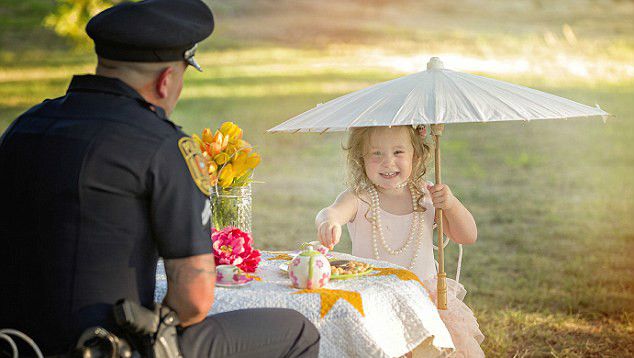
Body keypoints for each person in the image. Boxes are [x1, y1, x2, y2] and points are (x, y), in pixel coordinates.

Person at [0, 0, 319, 357]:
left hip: (16, 344)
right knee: (297, 332)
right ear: (166, 81)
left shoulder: (25, 127)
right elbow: (194, 300)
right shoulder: (164, 147)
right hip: (104, 348)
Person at [315, 125, 484, 357]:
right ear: (360, 158)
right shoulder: (358, 198)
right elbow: (331, 212)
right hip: (373, 297)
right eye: (376, 154)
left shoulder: (427, 198)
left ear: (416, 155)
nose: (388, 162)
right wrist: (329, 223)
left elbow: (467, 235)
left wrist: (452, 205)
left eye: (398, 152)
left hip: (421, 301)